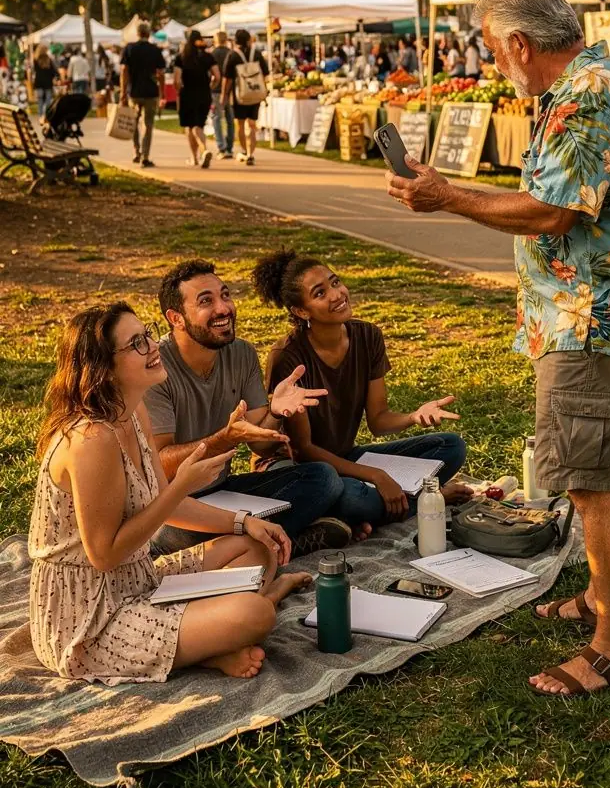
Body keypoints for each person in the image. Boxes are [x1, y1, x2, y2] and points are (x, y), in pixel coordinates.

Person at [385, 0, 610, 698]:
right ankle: (601, 599)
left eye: (492, 48)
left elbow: (553, 212)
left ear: (519, 43)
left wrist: (445, 195)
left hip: (590, 320)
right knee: (592, 468)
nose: (493, 62)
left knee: (592, 482)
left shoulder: (583, 95)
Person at [29, 302, 313, 685]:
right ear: (103, 368)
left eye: (147, 335)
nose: (153, 346)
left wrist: (243, 522)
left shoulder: (133, 411)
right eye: (137, 344)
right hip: (91, 616)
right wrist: (181, 485)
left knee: (256, 548)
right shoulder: (91, 439)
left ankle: (207, 637)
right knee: (255, 614)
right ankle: (226, 632)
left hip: (140, 578)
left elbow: (164, 504)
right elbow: (104, 555)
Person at [254, 249, 470, 537]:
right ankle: (427, 499)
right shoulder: (288, 356)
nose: (337, 294)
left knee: (450, 446)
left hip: (346, 457)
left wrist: (413, 417)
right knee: (355, 499)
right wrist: (376, 475)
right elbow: (304, 449)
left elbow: (378, 420)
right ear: (301, 311)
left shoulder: (368, 336)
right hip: (303, 469)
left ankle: (370, 510)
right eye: (320, 293)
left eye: (335, 282)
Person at [144, 259, 350, 557]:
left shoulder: (241, 353)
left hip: (222, 492)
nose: (224, 309)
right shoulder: (155, 368)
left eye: (225, 295)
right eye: (206, 301)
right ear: (176, 318)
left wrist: (276, 412)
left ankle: (251, 546)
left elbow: (261, 447)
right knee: (170, 534)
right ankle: (279, 543)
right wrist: (224, 439)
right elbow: (161, 465)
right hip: (173, 509)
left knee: (323, 479)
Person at [120, 21, 166, 168]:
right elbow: (161, 73)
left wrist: (123, 92)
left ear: (137, 33)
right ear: (149, 33)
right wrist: (162, 93)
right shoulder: (155, 50)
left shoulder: (129, 48)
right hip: (151, 92)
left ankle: (136, 152)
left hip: (134, 92)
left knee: (133, 122)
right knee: (148, 124)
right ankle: (145, 156)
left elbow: (124, 71)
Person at [221, 29, 268, 167]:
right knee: (252, 124)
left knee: (240, 124)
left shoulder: (233, 55)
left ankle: (244, 151)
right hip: (256, 93)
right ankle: (251, 153)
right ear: (249, 40)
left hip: (240, 95)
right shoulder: (257, 54)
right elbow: (265, 73)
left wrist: (224, 95)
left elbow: (227, 78)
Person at [174, 30, 218, 169]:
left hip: (188, 93)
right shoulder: (207, 56)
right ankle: (198, 156)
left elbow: (177, 80)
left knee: (192, 127)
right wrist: (210, 86)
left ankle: (200, 153)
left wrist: (178, 91)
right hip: (204, 94)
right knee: (199, 125)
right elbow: (217, 76)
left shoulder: (181, 57)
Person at [209, 29, 234, 159]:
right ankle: (229, 147)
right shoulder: (231, 53)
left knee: (217, 118)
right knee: (230, 119)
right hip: (230, 91)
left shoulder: (212, 54)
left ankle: (221, 147)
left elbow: (210, 73)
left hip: (216, 90)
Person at [32, 44, 58, 118]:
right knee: (48, 100)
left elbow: (34, 70)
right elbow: (53, 71)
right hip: (48, 83)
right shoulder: (49, 60)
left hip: (39, 82)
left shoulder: (35, 60)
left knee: (40, 100)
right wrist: (54, 77)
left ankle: (40, 115)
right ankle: (47, 114)